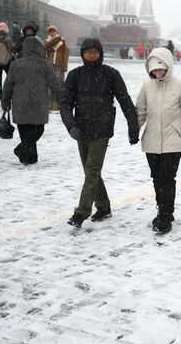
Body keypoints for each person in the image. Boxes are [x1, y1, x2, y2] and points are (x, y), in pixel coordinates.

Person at [61, 38, 139, 228]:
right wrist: (70, 125)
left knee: (92, 170)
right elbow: (65, 103)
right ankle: (103, 206)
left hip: (102, 129)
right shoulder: (75, 75)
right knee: (91, 171)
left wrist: (133, 127)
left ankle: (81, 212)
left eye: (95, 52)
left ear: (101, 53)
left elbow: (124, 100)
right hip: (81, 129)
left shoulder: (110, 74)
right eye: (88, 52)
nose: (92, 55)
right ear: (82, 54)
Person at [136, 47, 181, 234]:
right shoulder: (147, 86)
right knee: (156, 178)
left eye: (160, 69)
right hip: (151, 140)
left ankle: (165, 214)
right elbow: (140, 111)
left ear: (168, 66)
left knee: (167, 177)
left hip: (174, 140)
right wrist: (134, 131)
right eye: (154, 70)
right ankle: (162, 209)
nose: (157, 73)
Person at [2, 36, 63, 165]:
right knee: (38, 129)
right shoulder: (45, 64)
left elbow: (8, 84)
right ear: (40, 49)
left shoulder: (15, 64)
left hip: (20, 102)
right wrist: (62, 98)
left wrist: (5, 101)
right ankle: (26, 153)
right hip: (39, 102)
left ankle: (28, 156)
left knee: (24, 130)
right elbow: (54, 84)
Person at [45, 25, 70, 111]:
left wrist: (64, 66)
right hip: (49, 64)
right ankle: (49, 103)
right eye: (50, 31)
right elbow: (46, 47)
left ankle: (57, 104)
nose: (52, 33)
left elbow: (65, 54)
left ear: (56, 31)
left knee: (59, 85)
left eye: (53, 31)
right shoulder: (47, 41)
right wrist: (57, 38)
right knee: (49, 84)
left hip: (59, 65)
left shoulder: (62, 41)